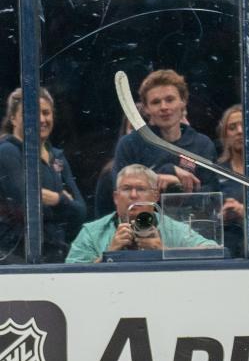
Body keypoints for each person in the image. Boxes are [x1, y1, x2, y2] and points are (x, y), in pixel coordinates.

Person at [65, 163, 217, 263]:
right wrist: (109, 255)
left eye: (141, 189)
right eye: (126, 189)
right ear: (116, 198)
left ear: (156, 196)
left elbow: (214, 252)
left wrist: (164, 251)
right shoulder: (92, 232)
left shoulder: (174, 229)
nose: (133, 195)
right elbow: (69, 274)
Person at [0, 87, 85, 263]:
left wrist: (55, 199)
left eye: (46, 112)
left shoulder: (57, 156)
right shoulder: (7, 151)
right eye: (31, 113)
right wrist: (64, 201)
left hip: (56, 255)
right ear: (13, 119)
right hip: (17, 258)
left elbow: (81, 212)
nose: (41, 119)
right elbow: (27, 205)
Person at [112, 69, 217, 194]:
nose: (164, 107)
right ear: (146, 109)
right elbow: (122, 190)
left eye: (170, 100)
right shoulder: (129, 144)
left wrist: (176, 183)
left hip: (191, 213)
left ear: (183, 102)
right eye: (156, 102)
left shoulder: (202, 144)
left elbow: (212, 193)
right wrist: (166, 172)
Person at [214, 104, 248, 258]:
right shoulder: (216, 170)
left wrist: (246, 214)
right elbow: (206, 215)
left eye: (245, 125)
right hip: (227, 249)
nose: (240, 131)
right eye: (232, 127)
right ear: (225, 135)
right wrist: (220, 216)